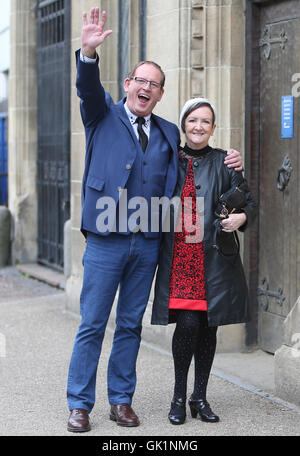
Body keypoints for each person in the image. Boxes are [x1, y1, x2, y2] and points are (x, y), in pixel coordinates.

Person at [67, 8, 243, 432]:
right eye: (139, 80)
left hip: (147, 242)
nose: (145, 88)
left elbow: (197, 157)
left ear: (161, 94)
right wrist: (89, 52)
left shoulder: (166, 131)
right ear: (127, 85)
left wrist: (230, 158)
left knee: (129, 323)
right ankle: (80, 404)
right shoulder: (101, 115)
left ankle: (121, 400)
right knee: (93, 323)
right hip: (107, 238)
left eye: (154, 84)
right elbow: (87, 88)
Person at [151, 98, 257, 425]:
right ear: (183, 124)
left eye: (205, 121)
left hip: (211, 259)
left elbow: (249, 203)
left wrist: (242, 218)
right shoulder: (169, 159)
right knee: (187, 324)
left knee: (208, 327)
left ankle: (200, 396)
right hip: (179, 255)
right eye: (193, 120)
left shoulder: (227, 162)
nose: (198, 126)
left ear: (213, 127)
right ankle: (178, 396)